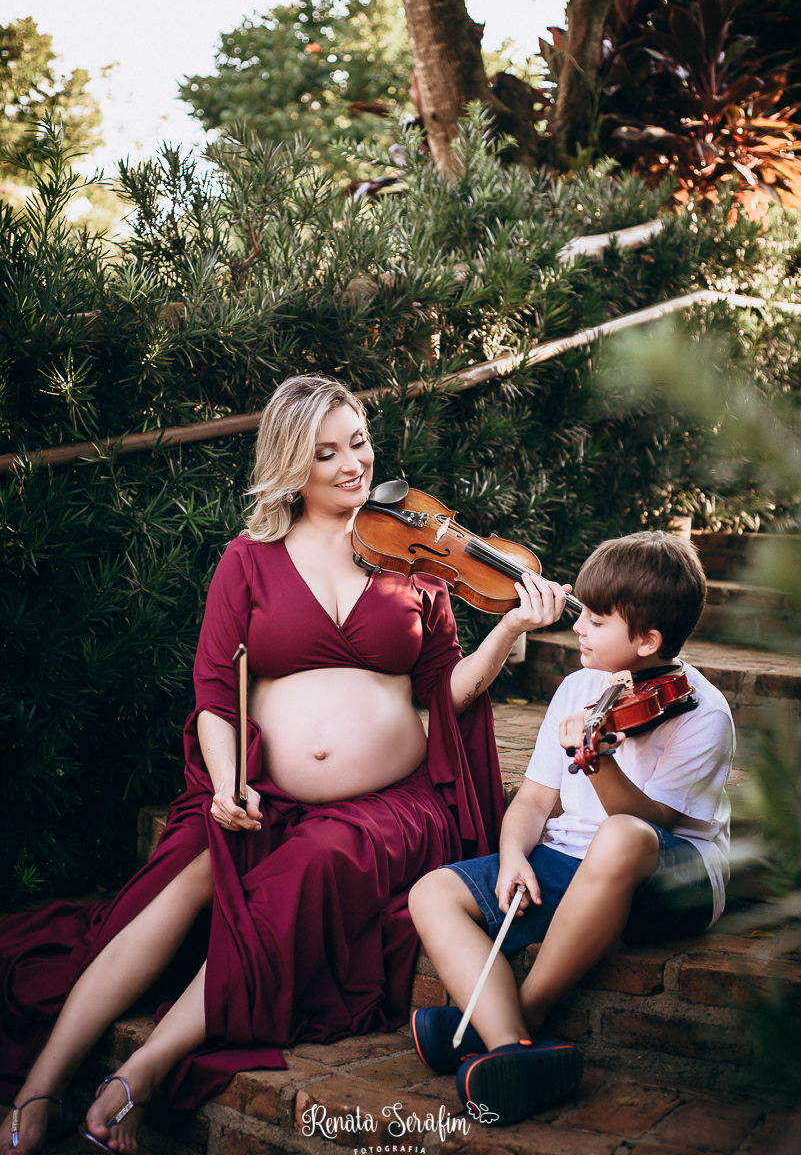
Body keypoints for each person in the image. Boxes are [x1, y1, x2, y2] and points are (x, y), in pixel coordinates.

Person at [0, 375, 571, 1155]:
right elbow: (214, 693)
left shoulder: (419, 564)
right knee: (176, 879)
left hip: (387, 809)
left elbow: (447, 696)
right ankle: (41, 1084)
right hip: (258, 788)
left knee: (309, 863)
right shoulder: (249, 559)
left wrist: (506, 631)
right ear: (290, 465)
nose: (350, 465)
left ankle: (142, 1070)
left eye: (358, 443)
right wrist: (229, 784)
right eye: (324, 452)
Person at [408, 531, 734, 1126]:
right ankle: (512, 1047)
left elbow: (647, 822)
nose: (577, 627)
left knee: (619, 838)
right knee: (431, 892)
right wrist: (511, 856)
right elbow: (533, 801)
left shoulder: (704, 713)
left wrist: (597, 759)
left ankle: (511, 1022)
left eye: (598, 620)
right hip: (575, 864)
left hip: (668, 878)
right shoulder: (579, 688)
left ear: (647, 640)